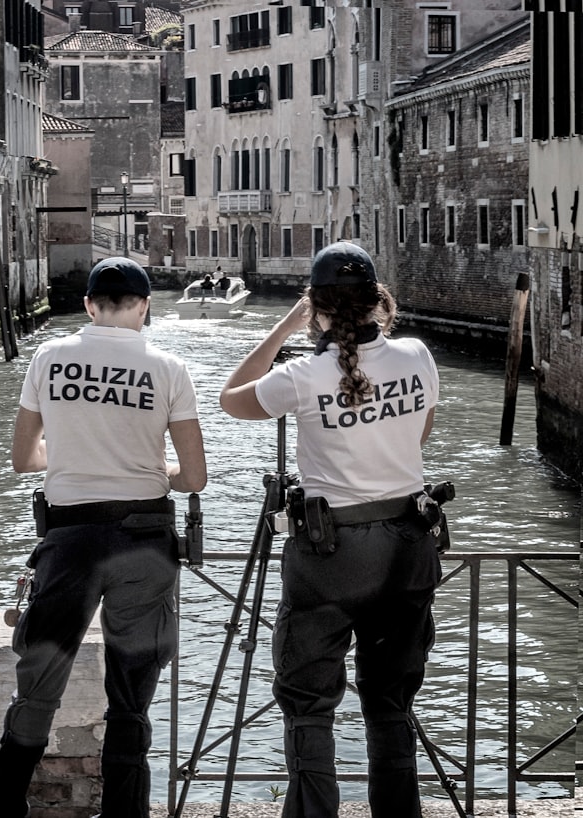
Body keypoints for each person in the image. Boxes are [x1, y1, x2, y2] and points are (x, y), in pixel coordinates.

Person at [218, 241, 443, 818]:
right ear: (379, 302)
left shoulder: (302, 374)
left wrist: (284, 325)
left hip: (330, 553)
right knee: (390, 700)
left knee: (309, 701)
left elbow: (229, 399)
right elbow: (417, 438)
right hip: (406, 544)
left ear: (316, 306)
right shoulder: (417, 356)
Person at [0, 257, 208, 818]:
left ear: (88, 305)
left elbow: (22, 459)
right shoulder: (169, 367)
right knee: (130, 695)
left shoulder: (50, 358)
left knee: (39, 683)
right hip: (144, 540)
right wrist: (152, 473)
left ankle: (5, 804)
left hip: (71, 540)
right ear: (144, 305)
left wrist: (75, 460)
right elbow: (194, 477)